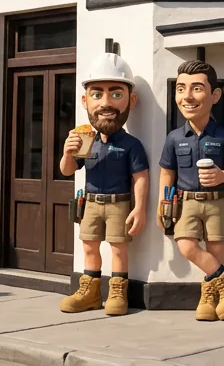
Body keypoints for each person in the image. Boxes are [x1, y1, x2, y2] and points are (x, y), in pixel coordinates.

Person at [58, 52, 149, 315]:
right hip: (90, 204)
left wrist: (139, 208)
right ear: (85, 101)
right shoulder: (85, 139)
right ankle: (90, 291)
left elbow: (141, 177)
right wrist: (67, 152)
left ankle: (118, 290)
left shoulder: (131, 144)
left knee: (119, 249)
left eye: (116, 95)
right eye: (97, 95)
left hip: (119, 203)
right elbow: (67, 170)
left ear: (131, 100)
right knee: (89, 246)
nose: (106, 103)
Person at [158, 60, 224, 321]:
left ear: (215, 95)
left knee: (215, 251)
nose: (187, 96)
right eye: (181, 89)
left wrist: (221, 175)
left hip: (216, 201)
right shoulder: (174, 137)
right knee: (186, 246)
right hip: (185, 202)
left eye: (197, 88)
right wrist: (163, 203)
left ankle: (211, 297)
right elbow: (167, 172)